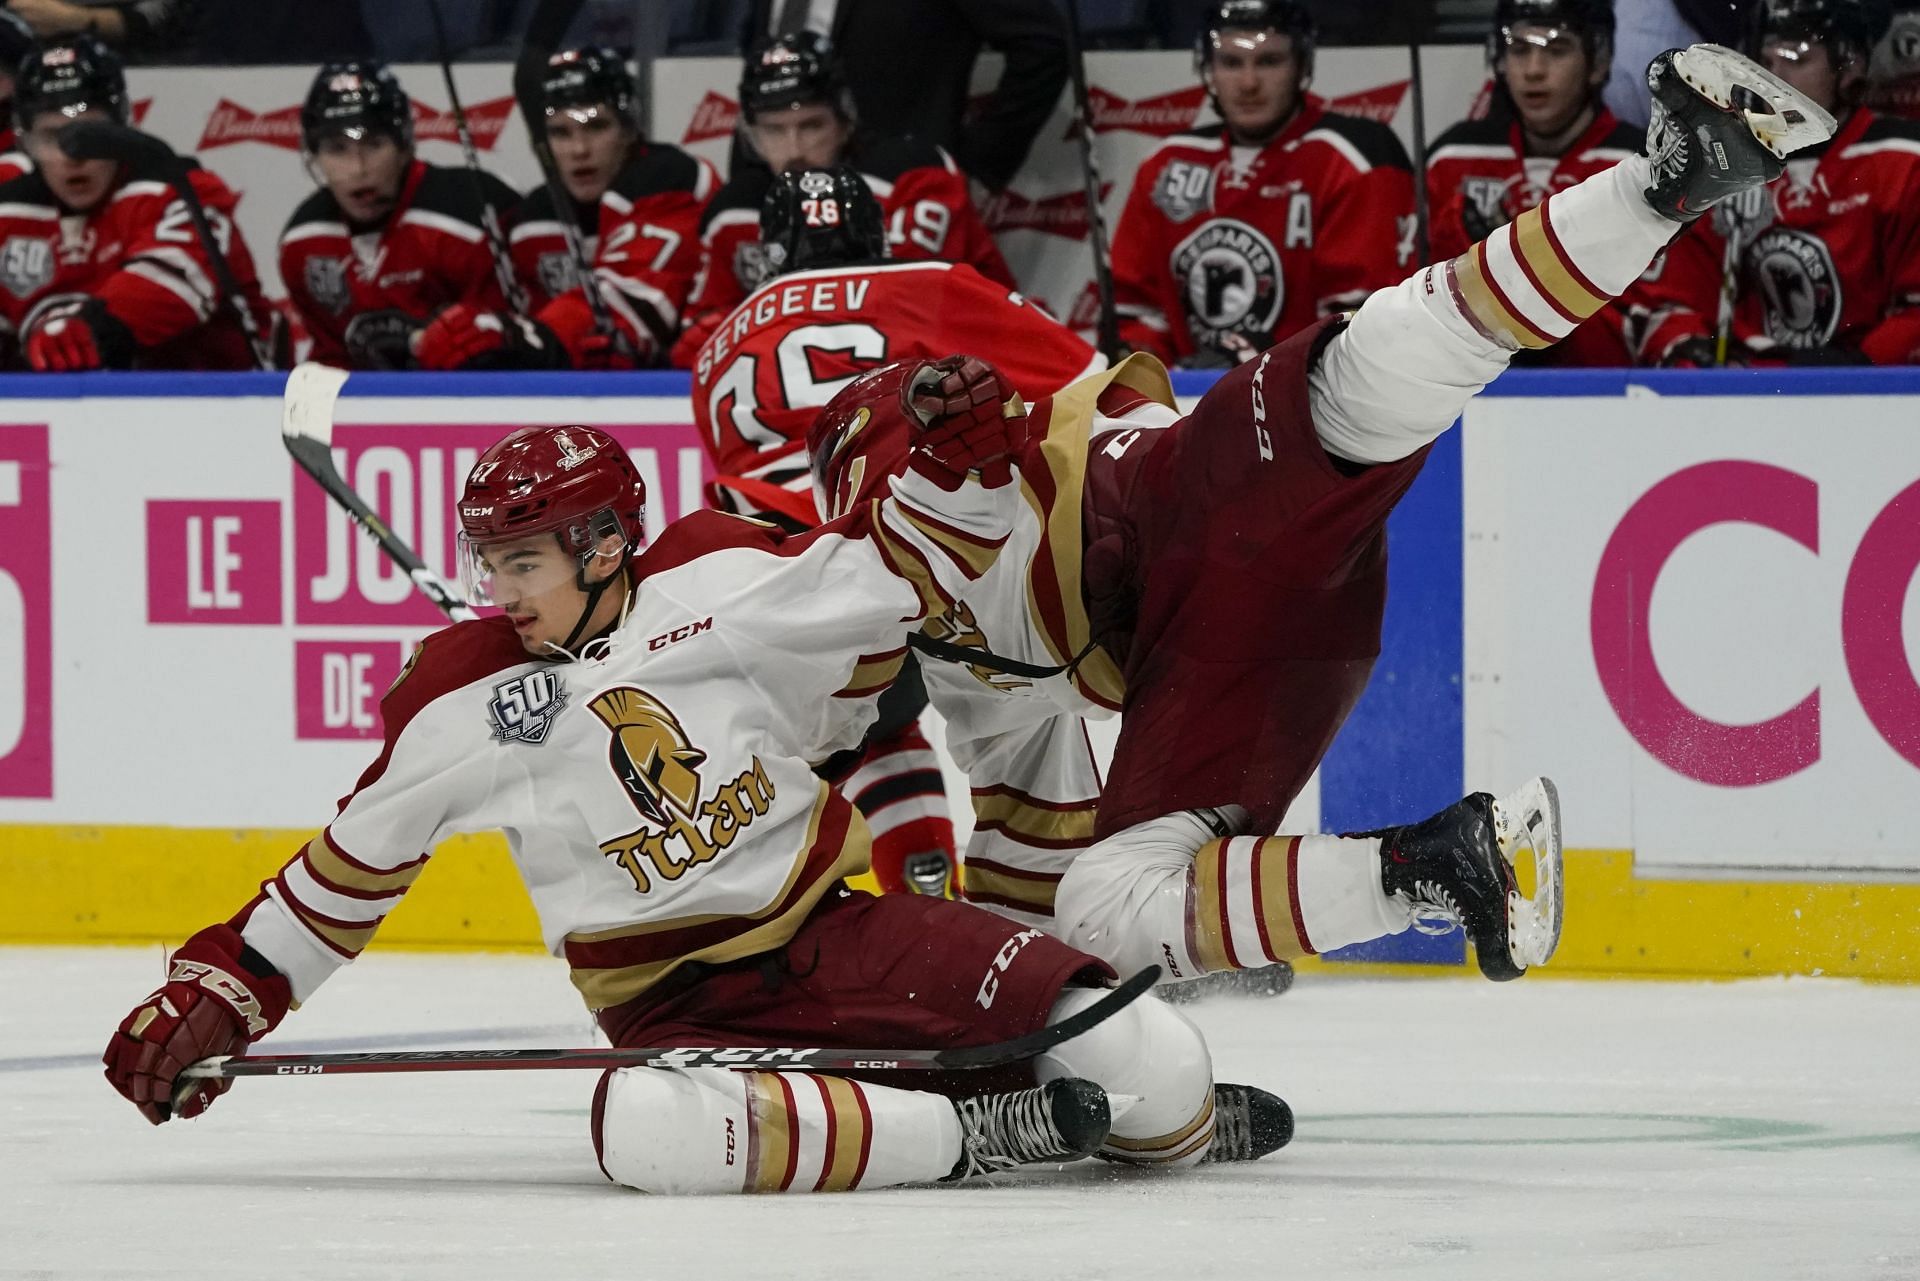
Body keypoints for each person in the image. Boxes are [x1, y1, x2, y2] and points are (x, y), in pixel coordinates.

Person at [806, 45, 1831, 988]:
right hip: (1237, 623)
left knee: (1387, 347)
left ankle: (1665, 185)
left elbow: (948, 476)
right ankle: (1432, 868)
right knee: (1102, 903)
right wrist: (1010, 1001)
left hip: (1202, 525)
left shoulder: (908, 524)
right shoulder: (956, 662)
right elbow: (1025, 862)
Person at [101, 418, 1284, 1189]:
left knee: (1159, 1057)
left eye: (523, 561)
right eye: (488, 563)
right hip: (676, 1009)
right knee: (640, 1132)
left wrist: (952, 469)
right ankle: (979, 1135)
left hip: (843, 934)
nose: (497, 589)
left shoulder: (721, 574)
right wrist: (216, 998)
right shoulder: (464, 703)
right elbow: (338, 884)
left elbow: (899, 607)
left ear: (607, 542)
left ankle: (1141, 1119)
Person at [690, 165, 1100, 899]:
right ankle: (1066, 914)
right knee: (1022, 716)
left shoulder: (716, 345)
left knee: (863, 721)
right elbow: (1086, 379)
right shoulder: (922, 281)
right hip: (913, 545)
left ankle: (873, 922)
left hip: (775, 577)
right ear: (877, 234)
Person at [672, 32, 1015, 368]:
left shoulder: (912, 176)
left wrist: (773, 316)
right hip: (824, 380)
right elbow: (696, 343)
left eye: (811, 126)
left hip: (980, 369)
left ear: (844, 118)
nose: (794, 150)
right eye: (774, 130)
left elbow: (915, 310)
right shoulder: (734, 211)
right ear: (751, 135)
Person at [1108, 0, 1416, 368]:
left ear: (1302, 65)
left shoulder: (1354, 157)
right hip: (1192, 406)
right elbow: (1135, 315)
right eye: (1231, 63)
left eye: (1269, 62)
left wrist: (1260, 363)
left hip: (1312, 406)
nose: (1249, 83)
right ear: (1207, 69)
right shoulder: (1167, 165)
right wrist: (1144, 366)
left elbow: (1363, 330)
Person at [1637, 0, 1920, 365]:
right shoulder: (1719, 164)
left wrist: (1855, 371)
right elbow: (1671, 303)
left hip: (1874, 401)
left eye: (1796, 57)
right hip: (1751, 395)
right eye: (1765, 62)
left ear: (1850, 64)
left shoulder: (1903, 162)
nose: (1771, 79)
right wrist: (1690, 353)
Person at [414, 46, 717, 372]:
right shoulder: (533, 221)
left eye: (597, 127)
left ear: (629, 129)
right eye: (560, 132)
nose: (579, 150)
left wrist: (526, 339)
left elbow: (639, 303)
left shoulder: (672, 180)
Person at [0, 37, 272, 371]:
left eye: (90, 133)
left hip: (214, 400)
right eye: (52, 137)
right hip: (70, 413)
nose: (74, 157)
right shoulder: (8, 212)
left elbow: (172, 283)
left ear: (121, 124)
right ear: (23, 141)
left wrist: (88, 328)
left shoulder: (182, 188)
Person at [1428, 0, 1647, 365]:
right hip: (1473, 393)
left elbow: (1655, 315)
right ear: (1498, 59)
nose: (1533, 70)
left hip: (1604, 394)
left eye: (1556, 50)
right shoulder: (1452, 159)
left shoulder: (1640, 167)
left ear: (1598, 61)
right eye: (1519, 49)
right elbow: (1423, 304)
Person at [279, 59, 519, 370]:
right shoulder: (304, 244)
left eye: (375, 144)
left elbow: (513, 348)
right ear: (314, 155)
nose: (358, 169)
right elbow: (333, 359)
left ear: (405, 145)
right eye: (338, 149)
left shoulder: (468, 218)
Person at [740, 0, 1066, 193]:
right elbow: (762, 66)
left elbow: (1042, 44)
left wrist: (977, 167)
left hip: (903, 203)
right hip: (780, 198)